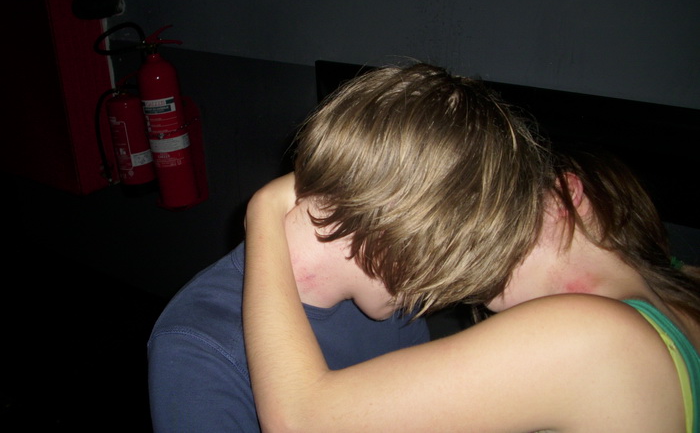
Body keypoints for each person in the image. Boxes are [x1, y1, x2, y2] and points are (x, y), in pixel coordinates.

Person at [243, 65, 700, 432]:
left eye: (495, 207)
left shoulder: (596, 336)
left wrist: (263, 209)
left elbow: (302, 421)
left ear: (567, 195)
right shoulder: (682, 297)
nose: (468, 234)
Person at [149, 60, 544, 431]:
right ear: (391, 222)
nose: (433, 298)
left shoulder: (390, 292)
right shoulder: (197, 350)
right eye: (438, 267)